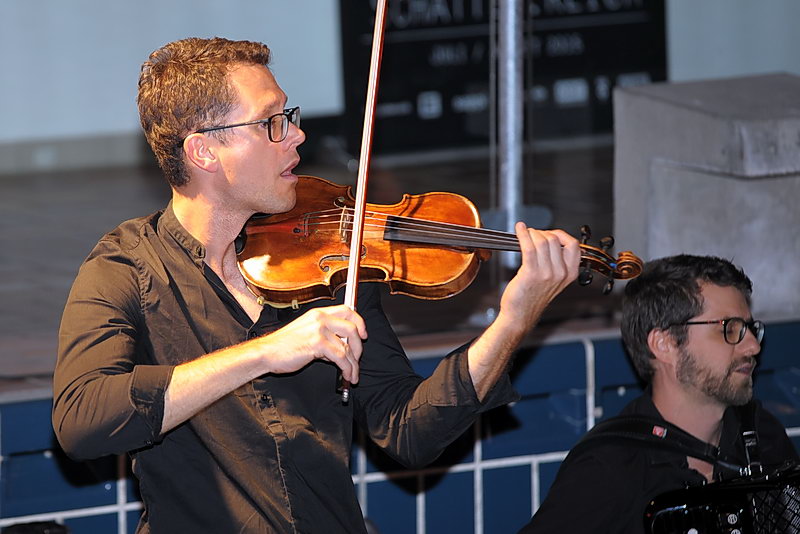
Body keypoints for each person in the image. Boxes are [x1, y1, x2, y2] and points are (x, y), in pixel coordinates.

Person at [51, 37, 581, 533]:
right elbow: (82, 421)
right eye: (271, 123)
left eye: (289, 116)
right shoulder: (127, 266)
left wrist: (513, 322)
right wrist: (265, 353)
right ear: (204, 151)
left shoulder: (330, 263)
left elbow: (407, 431)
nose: (297, 134)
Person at [520, 254, 798, 533]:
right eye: (730, 328)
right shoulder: (609, 468)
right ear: (665, 344)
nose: (753, 346)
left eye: (749, 328)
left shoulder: (762, 435)